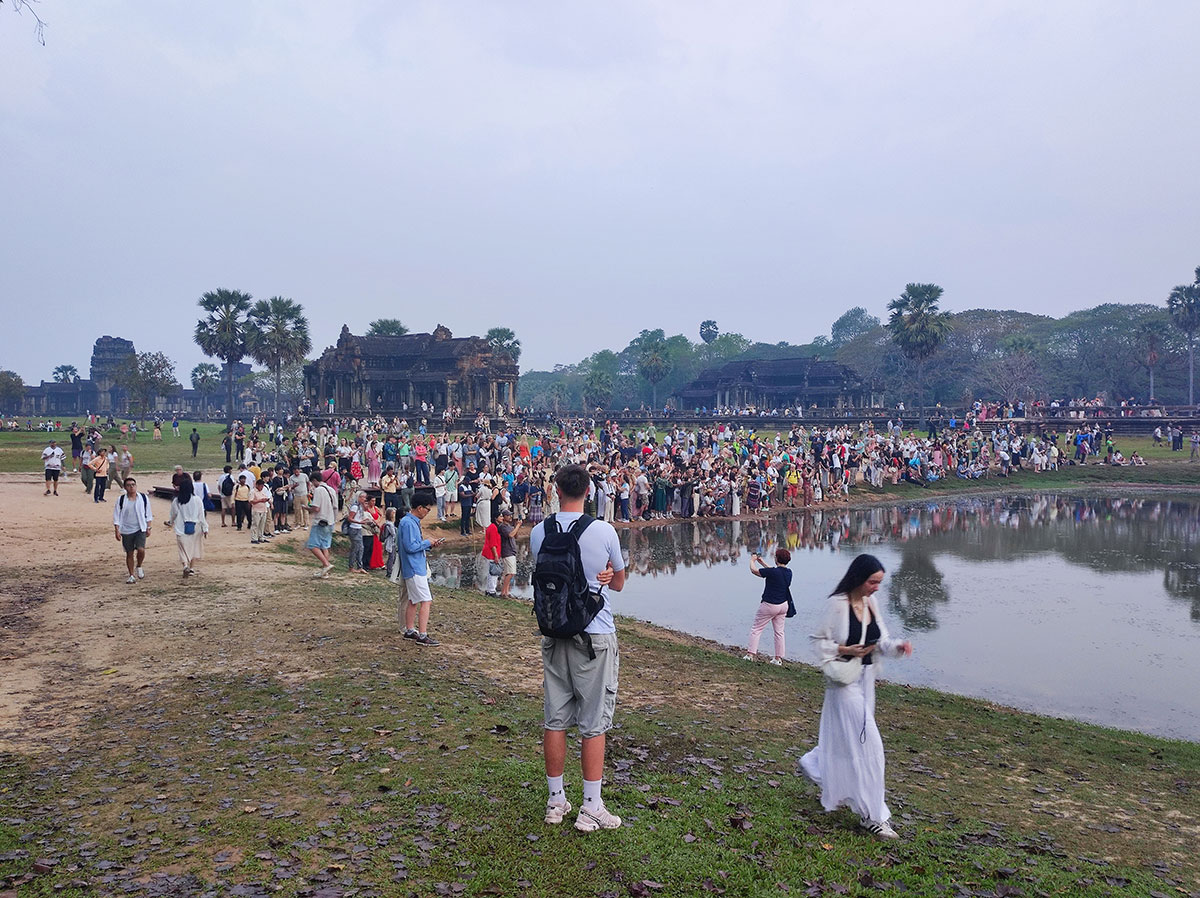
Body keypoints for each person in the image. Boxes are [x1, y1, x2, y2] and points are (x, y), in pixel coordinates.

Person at [530, 464, 626, 833]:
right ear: (588, 490)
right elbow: (618, 583)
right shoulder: (602, 530)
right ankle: (591, 807)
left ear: (556, 489)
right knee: (593, 723)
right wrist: (602, 575)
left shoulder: (540, 531)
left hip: (553, 632)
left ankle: (556, 801)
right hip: (594, 635)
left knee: (555, 719)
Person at [800, 554, 913, 841]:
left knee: (849, 740)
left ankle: (816, 764)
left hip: (866, 680)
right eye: (872, 582)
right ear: (859, 578)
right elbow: (818, 641)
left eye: (879, 582)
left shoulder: (871, 603)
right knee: (871, 747)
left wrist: (898, 646)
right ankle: (873, 816)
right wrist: (848, 649)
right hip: (843, 684)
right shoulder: (838, 605)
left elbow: (881, 641)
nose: (876, 587)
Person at [399, 488, 446, 646]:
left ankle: (410, 630)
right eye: (427, 509)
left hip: (413, 566)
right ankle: (423, 635)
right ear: (419, 508)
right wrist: (427, 542)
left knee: (414, 600)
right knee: (426, 600)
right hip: (414, 567)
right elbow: (410, 547)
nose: (427, 512)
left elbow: (414, 546)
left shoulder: (410, 522)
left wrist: (430, 545)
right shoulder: (408, 523)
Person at [742, 547, 793, 665]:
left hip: (769, 604)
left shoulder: (773, 572)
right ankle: (778, 658)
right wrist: (762, 562)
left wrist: (752, 561)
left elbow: (754, 571)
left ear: (776, 559)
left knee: (756, 629)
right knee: (779, 632)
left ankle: (750, 654)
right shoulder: (789, 572)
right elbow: (775, 572)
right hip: (783, 605)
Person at [113, 476, 153, 584]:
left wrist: (148, 527)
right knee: (129, 553)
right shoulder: (121, 500)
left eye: (133, 485)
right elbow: (117, 515)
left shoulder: (143, 498)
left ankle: (139, 565)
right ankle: (131, 575)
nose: (131, 487)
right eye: (129, 485)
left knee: (141, 549)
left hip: (140, 528)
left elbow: (148, 514)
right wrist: (117, 529)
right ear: (125, 487)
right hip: (126, 529)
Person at [167, 475, 209, 575]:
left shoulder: (177, 501)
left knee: (183, 548)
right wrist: (205, 528)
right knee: (194, 547)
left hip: (181, 527)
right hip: (196, 527)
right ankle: (192, 568)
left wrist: (170, 522)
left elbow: (173, 514)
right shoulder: (197, 499)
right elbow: (201, 515)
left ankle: (185, 565)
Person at [306, 471, 336, 577]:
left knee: (312, 545)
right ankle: (324, 572)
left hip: (321, 521)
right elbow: (335, 506)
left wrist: (307, 508)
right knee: (324, 546)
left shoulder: (318, 490)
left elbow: (316, 508)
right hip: (331, 520)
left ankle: (326, 564)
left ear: (314, 480)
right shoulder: (331, 489)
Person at [497, 507, 521, 598]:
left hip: (512, 551)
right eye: (508, 515)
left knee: (510, 572)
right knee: (510, 573)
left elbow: (516, 536)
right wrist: (518, 526)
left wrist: (516, 526)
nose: (510, 517)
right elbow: (510, 535)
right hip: (507, 551)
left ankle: (506, 591)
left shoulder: (509, 526)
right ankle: (504, 592)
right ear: (504, 517)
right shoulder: (502, 527)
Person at [480, 517, 501, 596]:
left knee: (491, 572)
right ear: (496, 518)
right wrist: (495, 555)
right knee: (493, 572)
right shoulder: (493, 528)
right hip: (491, 553)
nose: (502, 518)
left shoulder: (493, 527)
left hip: (491, 553)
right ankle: (491, 591)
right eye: (500, 516)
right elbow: (493, 544)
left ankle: (490, 589)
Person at [346, 490, 366, 573]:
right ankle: (351, 566)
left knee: (361, 548)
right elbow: (350, 518)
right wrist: (359, 522)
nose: (364, 499)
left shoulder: (360, 506)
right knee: (355, 548)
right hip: (354, 528)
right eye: (363, 497)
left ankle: (359, 566)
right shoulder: (355, 507)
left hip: (358, 528)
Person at [249, 477, 272, 544]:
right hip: (256, 510)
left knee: (262, 524)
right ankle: (254, 538)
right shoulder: (253, 491)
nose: (261, 487)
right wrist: (260, 500)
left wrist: (266, 500)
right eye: (260, 486)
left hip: (263, 509)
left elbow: (267, 498)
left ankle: (261, 537)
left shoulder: (263, 491)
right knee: (255, 524)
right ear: (257, 485)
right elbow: (251, 501)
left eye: (262, 486)